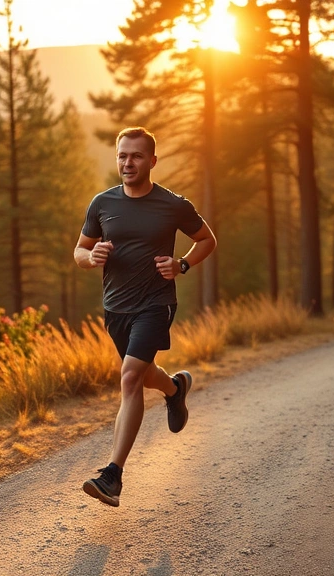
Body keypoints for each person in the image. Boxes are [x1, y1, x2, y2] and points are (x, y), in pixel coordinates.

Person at [73, 126, 217, 507]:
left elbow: (207, 239)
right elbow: (79, 251)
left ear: (152, 161)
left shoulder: (172, 204)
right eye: (122, 155)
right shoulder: (102, 203)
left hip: (155, 304)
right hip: (115, 308)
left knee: (130, 376)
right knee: (142, 373)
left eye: (136, 156)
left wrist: (182, 264)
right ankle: (174, 389)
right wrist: (92, 258)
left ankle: (112, 475)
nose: (127, 162)